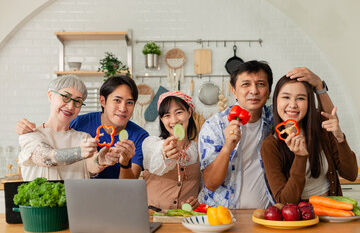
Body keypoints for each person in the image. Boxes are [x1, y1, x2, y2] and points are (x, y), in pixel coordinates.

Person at [197, 60, 335, 209]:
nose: (254, 91)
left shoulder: (276, 118)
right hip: (222, 214)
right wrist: (228, 146)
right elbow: (210, 184)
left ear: (269, 92)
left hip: (268, 214)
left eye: (261, 84)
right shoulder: (214, 126)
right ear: (234, 91)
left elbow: (329, 122)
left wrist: (319, 86)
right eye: (246, 84)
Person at [16, 75, 149, 179]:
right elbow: (46, 156)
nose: (70, 106)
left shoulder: (83, 136)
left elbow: (90, 166)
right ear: (51, 95)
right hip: (41, 212)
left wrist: (101, 160)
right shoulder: (31, 135)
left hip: (78, 208)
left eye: (78, 101)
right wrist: (80, 152)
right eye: (66, 97)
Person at [260, 75, 358, 204]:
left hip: (332, 213)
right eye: (286, 97)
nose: (293, 105)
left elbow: (351, 175)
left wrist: (340, 138)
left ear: (309, 102)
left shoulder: (322, 126)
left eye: (300, 98)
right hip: (301, 218)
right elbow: (285, 201)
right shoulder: (270, 145)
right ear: (276, 100)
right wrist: (300, 157)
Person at [142, 91, 201, 210]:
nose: (174, 120)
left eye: (179, 112)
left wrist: (198, 200)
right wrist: (165, 154)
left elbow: (203, 186)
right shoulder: (152, 144)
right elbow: (154, 161)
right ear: (161, 119)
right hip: (152, 216)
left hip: (185, 220)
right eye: (167, 115)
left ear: (189, 113)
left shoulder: (198, 150)